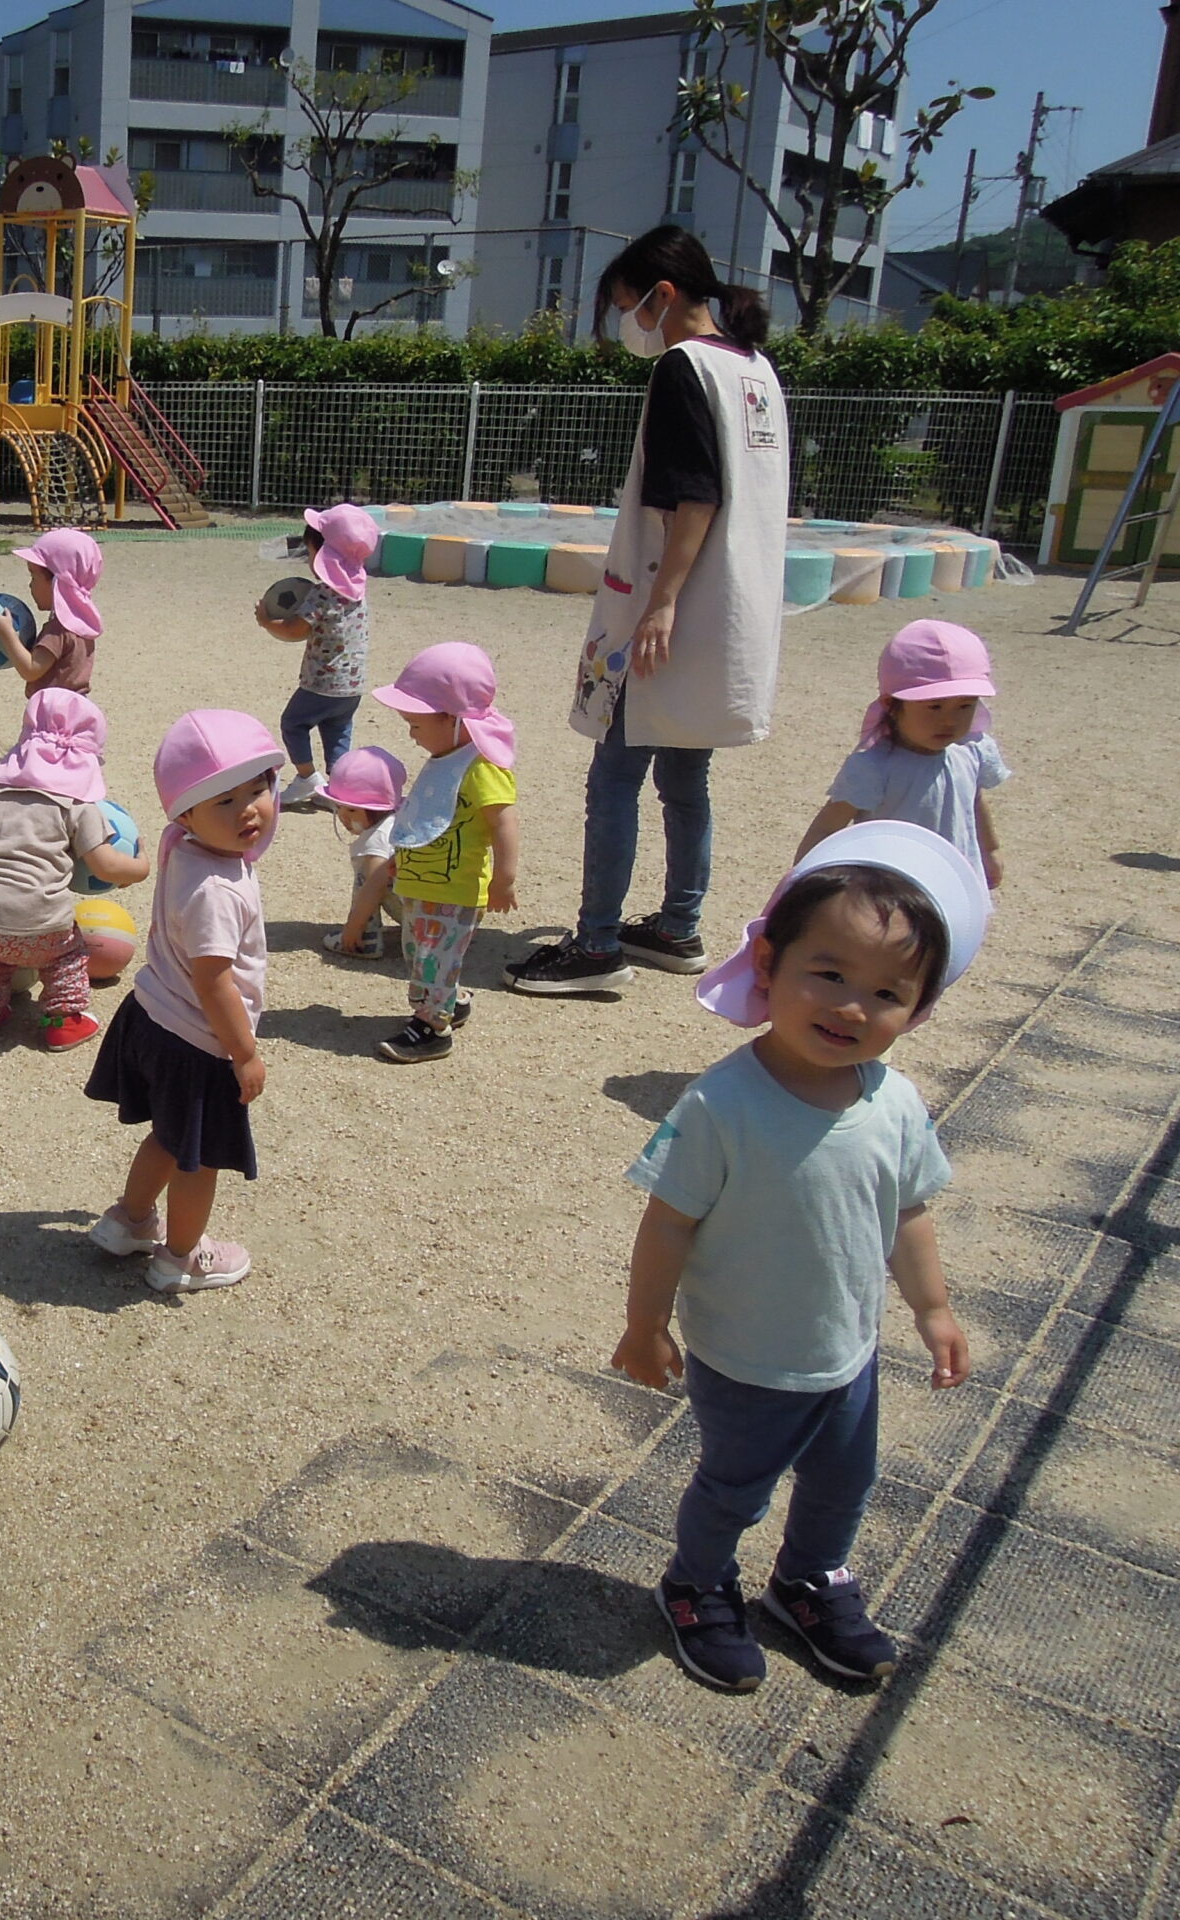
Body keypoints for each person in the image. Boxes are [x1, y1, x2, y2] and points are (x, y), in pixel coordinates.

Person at [615, 822, 987, 1693]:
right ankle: (697, 1583)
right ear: (770, 966)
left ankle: (808, 1582)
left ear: (919, 1010)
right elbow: (667, 1222)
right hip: (746, 1355)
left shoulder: (894, 1103)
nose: (852, 1006)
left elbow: (909, 1213)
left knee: (843, 1484)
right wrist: (645, 1324)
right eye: (829, 974)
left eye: (888, 993)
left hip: (846, 1350)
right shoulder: (723, 1104)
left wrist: (933, 1309)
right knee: (733, 1487)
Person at [509, 226, 788, 996]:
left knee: (616, 773)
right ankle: (676, 926)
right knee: (686, 776)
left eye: (628, 306)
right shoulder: (756, 368)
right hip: (731, 609)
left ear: (663, 297)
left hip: (675, 608)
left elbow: (693, 495)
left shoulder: (683, 367)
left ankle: (597, 946)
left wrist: (661, 603)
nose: (627, 322)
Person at [84, 710, 283, 1293]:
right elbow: (214, 980)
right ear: (186, 813)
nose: (249, 809)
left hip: (152, 1018)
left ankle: (131, 1220)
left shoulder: (184, 847)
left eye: (258, 789)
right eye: (225, 800)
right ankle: (179, 1257)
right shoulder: (217, 890)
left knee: (170, 1139)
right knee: (199, 1160)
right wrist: (243, 1052)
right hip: (200, 1043)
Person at [0, 690, 150, 1048]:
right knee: (67, 953)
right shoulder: (77, 805)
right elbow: (106, 866)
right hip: (40, 929)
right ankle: (64, 1020)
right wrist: (139, 866)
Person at [371, 645, 520, 1064]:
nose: (411, 734)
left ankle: (433, 1027)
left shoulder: (480, 766)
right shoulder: (445, 757)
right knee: (419, 953)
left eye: (416, 724)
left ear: (455, 720)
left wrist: (503, 878)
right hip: (423, 886)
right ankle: (450, 1001)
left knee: (434, 957)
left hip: (454, 891)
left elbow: (503, 821)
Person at [798, 619, 1006, 891]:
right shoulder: (875, 767)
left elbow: (974, 802)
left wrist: (990, 850)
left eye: (965, 706)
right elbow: (826, 828)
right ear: (891, 704)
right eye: (934, 706)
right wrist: (802, 879)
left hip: (955, 883)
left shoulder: (971, 751)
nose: (950, 721)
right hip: (891, 890)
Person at [254, 504, 378, 809]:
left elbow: (296, 630)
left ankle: (308, 777)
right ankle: (339, 790)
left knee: (293, 723)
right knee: (337, 733)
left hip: (322, 684)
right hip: (352, 686)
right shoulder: (357, 588)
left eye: (310, 553)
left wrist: (267, 621)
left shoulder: (322, 593)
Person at [0, 528, 101, 695]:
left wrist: (6, 633)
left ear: (56, 584)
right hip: (76, 707)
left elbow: (31, 669)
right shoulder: (83, 622)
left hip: (54, 711)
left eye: (33, 576)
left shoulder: (58, 630)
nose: (30, 585)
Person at [325, 745, 406, 960]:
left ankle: (366, 939)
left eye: (352, 809)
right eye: (337, 806)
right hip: (442, 915)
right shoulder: (401, 818)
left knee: (366, 879)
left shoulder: (378, 840)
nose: (343, 816)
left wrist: (354, 925)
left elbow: (374, 886)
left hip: (418, 914)